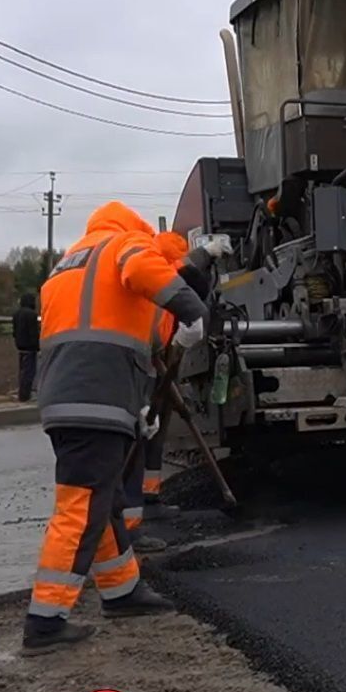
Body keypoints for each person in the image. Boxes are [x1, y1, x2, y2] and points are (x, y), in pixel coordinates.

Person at [22, 202, 210, 655]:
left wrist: (140, 399)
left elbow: (109, 326)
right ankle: (45, 621)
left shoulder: (68, 261)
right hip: (96, 394)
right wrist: (192, 310)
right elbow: (151, 275)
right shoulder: (126, 245)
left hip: (67, 396)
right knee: (81, 508)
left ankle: (121, 591)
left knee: (99, 502)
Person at [123, 231, 221, 552]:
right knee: (137, 436)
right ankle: (127, 526)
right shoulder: (158, 285)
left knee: (157, 432)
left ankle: (150, 498)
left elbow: (194, 266)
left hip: (157, 365)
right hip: (136, 370)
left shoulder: (176, 274)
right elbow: (146, 337)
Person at [11, 292, 40, 402]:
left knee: (22, 370)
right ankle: (25, 395)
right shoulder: (32, 315)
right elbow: (33, 333)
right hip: (30, 347)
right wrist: (38, 346)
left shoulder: (16, 314)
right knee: (29, 371)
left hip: (20, 346)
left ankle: (22, 393)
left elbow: (14, 331)